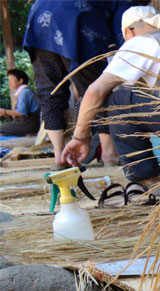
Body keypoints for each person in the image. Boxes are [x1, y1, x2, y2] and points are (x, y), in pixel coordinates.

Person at [61, 6, 160, 192]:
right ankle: (158, 180)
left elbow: (94, 92)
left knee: (118, 101)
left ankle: (147, 180)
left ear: (129, 32)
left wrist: (80, 137)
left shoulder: (142, 42)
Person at [23, 0, 133, 167]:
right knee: (97, 89)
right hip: (75, 20)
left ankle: (60, 156)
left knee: (50, 91)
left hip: (39, 18)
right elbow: (126, 37)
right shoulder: (126, 3)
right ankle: (109, 154)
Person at [0, 69, 40, 136]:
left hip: (28, 124)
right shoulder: (24, 92)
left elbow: (21, 112)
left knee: (1, 129)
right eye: (9, 80)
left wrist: (4, 111)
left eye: (11, 80)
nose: (9, 82)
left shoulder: (24, 92)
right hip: (26, 123)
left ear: (20, 81)